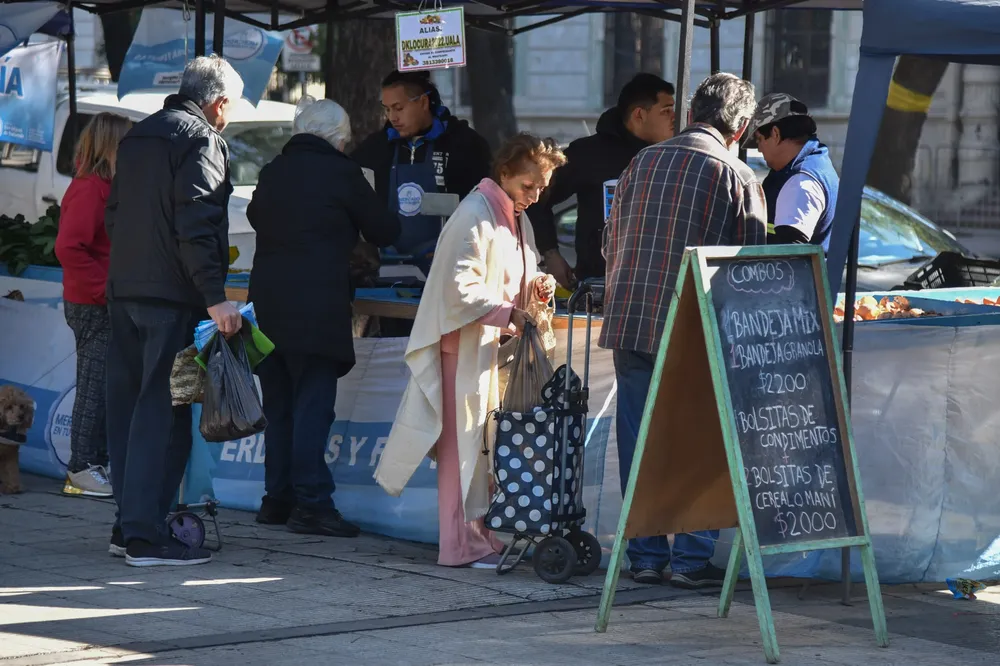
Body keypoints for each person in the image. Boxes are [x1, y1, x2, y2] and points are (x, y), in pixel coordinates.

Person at [601, 72, 768, 587]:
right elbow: (753, 270)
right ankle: (692, 561)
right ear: (739, 127)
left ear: (694, 112)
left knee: (639, 441)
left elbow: (610, 242)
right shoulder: (736, 176)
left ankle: (645, 556)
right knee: (700, 444)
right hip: (694, 332)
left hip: (630, 320)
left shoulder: (641, 161)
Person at [374, 134, 564, 569]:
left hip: (485, 349)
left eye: (541, 188)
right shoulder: (474, 214)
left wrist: (537, 286)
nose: (534, 196)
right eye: (528, 185)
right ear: (504, 173)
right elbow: (460, 290)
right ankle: (457, 544)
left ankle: (478, 535)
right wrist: (509, 313)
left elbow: (521, 268)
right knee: (462, 451)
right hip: (462, 351)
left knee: (481, 449)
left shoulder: (511, 214)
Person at [104, 55, 244, 567]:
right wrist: (215, 296)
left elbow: (113, 216)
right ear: (218, 101)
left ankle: (129, 525)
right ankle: (144, 535)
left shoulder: (139, 135)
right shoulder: (201, 138)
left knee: (129, 414)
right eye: (229, 107)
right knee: (163, 417)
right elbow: (198, 222)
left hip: (125, 292)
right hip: (169, 297)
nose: (228, 117)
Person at [247, 97, 401, 536]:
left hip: (267, 304)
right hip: (316, 305)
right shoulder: (342, 173)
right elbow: (385, 231)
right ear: (336, 139)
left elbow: (257, 217)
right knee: (313, 407)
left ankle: (276, 500)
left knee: (278, 406)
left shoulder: (272, 171)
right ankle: (312, 503)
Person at [529, 73, 676, 288]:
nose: (675, 117)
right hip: (600, 284)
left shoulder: (675, 156)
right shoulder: (589, 154)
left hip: (660, 282)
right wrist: (550, 253)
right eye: (666, 111)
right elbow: (536, 197)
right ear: (639, 115)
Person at [54, 112, 132, 499]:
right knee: (94, 384)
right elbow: (69, 247)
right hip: (92, 302)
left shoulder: (101, 186)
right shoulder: (90, 189)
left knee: (101, 384)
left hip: (97, 299)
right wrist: (105, 290)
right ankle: (81, 466)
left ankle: (92, 463)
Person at [351, 70, 493, 259]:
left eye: (398, 108)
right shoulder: (377, 147)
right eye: (387, 109)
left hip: (447, 262)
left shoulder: (465, 144)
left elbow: (483, 207)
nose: (392, 117)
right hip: (389, 263)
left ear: (424, 103)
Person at [745, 93, 840, 249]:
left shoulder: (800, 182)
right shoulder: (815, 163)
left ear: (775, 134)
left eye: (759, 140)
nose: (759, 149)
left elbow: (790, 259)